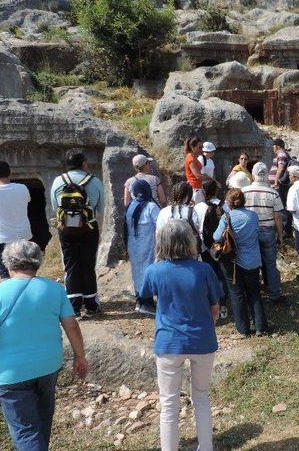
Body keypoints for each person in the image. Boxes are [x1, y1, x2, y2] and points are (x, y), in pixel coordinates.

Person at [0, 240, 88, 450]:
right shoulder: (55, 289)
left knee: (26, 430)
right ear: (38, 263)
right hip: (48, 365)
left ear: (8, 263)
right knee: (42, 421)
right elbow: (71, 326)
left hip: (11, 372)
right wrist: (80, 357)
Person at [139, 220, 221, 451]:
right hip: (202, 340)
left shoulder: (154, 271)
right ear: (190, 240)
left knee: (168, 404)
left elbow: (144, 300)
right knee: (202, 397)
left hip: (168, 341)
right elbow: (215, 307)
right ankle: (206, 447)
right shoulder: (203, 269)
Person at [50, 149, 104, 317]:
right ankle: (91, 305)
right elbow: (100, 209)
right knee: (88, 264)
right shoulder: (94, 181)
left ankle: (74, 306)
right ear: (84, 163)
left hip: (66, 229)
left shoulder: (58, 181)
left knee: (71, 264)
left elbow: (54, 207)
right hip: (89, 227)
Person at [214, 189, 267, 336]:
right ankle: (260, 327)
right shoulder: (253, 216)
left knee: (237, 294)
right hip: (252, 261)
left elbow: (216, 236)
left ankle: (243, 329)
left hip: (233, 262)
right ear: (244, 201)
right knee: (254, 292)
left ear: (229, 203)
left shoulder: (226, 218)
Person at [242, 162, 284, 304]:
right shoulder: (273, 192)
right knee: (270, 264)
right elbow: (278, 217)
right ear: (266, 175)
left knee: (251, 265)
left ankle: (254, 296)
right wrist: (280, 236)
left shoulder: (244, 191)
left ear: (253, 174)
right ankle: (274, 294)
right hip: (268, 231)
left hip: (250, 232)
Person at [194, 179, 230, 321]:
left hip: (206, 247)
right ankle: (223, 306)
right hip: (222, 246)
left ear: (204, 192)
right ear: (216, 191)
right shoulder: (224, 205)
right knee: (222, 275)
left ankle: (211, 305)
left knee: (210, 275)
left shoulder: (199, 208)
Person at [125, 179, 160, 316]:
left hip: (133, 245)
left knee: (137, 272)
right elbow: (161, 224)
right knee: (148, 272)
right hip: (147, 245)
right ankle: (147, 304)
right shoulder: (151, 206)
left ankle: (139, 302)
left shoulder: (130, 205)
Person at [0, 161, 31, 280]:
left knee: (5, 276)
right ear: (10, 173)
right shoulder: (23, 188)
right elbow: (28, 200)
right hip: (22, 236)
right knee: (25, 272)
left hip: (0, 238)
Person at [268, 138, 292, 236]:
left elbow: (281, 168)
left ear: (277, 146)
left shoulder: (281, 154)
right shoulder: (280, 155)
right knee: (280, 207)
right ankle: (283, 230)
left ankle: (285, 231)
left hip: (279, 186)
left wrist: (276, 181)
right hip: (278, 185)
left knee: (281, 208)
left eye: (273, 146)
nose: (272, 148)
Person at [184, 136, 204, 204]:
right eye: (199, 147)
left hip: (197, 188)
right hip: (195, 189)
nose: (202, 149)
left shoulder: (194, 157)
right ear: (193, 147)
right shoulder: (191, 158)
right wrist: (210, 179)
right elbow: (197, 176)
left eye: (202, 147)